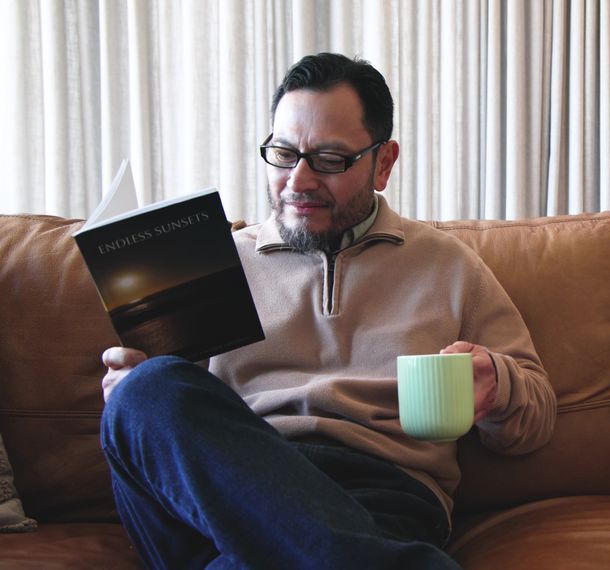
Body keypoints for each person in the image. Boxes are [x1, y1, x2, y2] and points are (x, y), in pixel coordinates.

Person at [99, 52, 557, 569]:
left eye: (330, 160)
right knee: (149, 388)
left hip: (378, 497)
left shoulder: (447, 265)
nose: (298, 181)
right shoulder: (216, 264)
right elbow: (176, 429)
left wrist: (498, 383)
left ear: (383, 163)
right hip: (228, 494)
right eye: (283, 154)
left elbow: (535, 417)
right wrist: (132, 394)